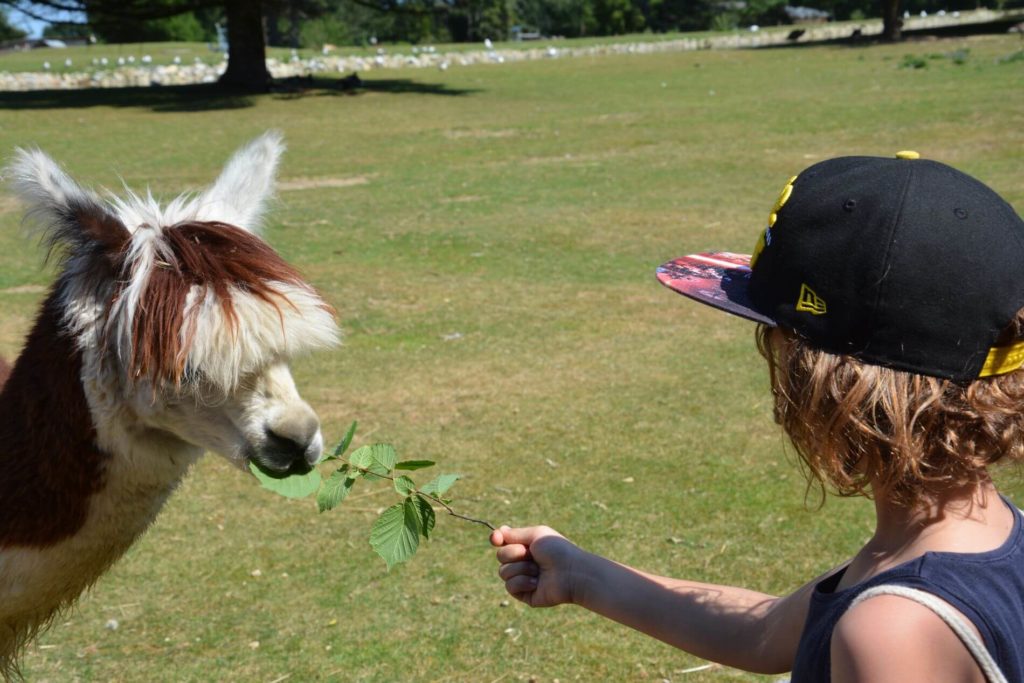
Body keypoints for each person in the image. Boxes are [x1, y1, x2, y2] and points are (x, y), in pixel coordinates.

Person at [491, 152, 1024, 682]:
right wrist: (582, 574)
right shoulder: (982, 541)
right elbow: (769, 633)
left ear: (826, 386)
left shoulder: (893, 631)